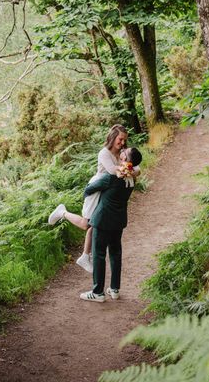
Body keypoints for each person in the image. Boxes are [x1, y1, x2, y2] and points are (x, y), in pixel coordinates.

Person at [47, 124, 139, 272]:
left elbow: (137, 168)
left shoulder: (123, 152)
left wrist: (128, 169)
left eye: (124, 140)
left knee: (96, 224)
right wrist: (127, 169)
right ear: (113, 137)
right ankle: (62, 212)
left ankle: (85, 256)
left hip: (107, 191)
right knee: (86, 224)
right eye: (120, 139)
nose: (122, 143)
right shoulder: (104, 153)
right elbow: (111, 171)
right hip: (96, 189)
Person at [79, 146, 143, 302]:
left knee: (99, 255)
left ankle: (98, 292)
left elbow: (89, 189)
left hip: (102, 220)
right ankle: (114, 289)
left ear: (126, 160)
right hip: (118, 220)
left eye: (125, 152)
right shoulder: (131, 179)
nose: (122, 151)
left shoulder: (112, 177)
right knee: (115, 253)